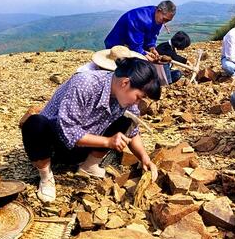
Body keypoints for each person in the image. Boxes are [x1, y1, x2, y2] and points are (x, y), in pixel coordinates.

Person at [20, 58, 160, 203]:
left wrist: (144, 158)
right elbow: (67, 130)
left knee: (129, 118)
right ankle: (46, 177)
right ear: (125, 83)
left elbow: (133, 131)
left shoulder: (124, 99)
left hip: (84, 146)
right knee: (35, 123)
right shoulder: (85, 84)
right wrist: (108, 141)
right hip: (54, 145)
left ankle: (89, 165)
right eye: (138, 97)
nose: (137, 103)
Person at [104, 0, 176, 61]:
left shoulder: (158, 18)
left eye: (167, 21)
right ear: (158, 11)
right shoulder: (139, 18)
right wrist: (144, 55)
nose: (164, 23)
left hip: (134, 45)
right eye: (164, 19)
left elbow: (153, 34)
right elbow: (134, 43)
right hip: (118, 45)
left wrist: (152, 47)